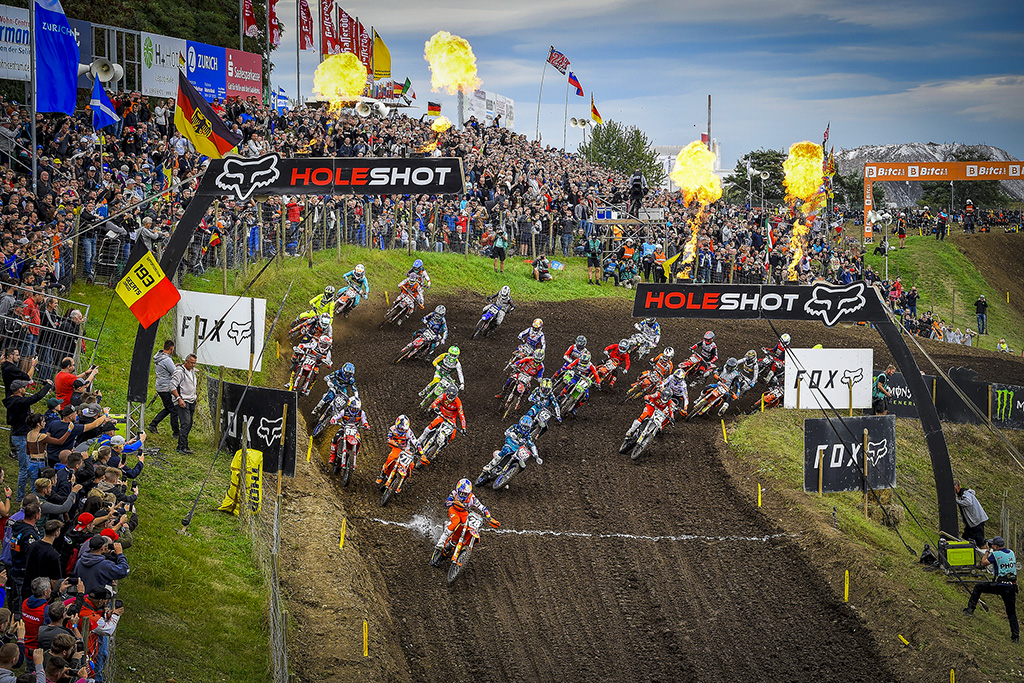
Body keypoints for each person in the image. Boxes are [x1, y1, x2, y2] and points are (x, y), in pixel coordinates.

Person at [3, 378, 52, 499]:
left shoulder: (11, 400)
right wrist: (48, 387)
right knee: (24, 469)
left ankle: (28, 495)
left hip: (19, 435)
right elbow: (35, 398)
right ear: (19, 390)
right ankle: (21, 497)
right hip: (21, 438)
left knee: (26, 468)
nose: (26, 389)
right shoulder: (19, 402)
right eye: (24, 387)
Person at [963, 536, 1018, 641]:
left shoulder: (996, 554)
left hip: (1000, 585)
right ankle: (1015, 637)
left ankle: (970, 610)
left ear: (996, 547)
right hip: (1012, 586)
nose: (992, 546)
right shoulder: (1011, 552)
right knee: (1012, 613)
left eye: (993, 545)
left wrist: (987, 551)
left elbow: (983, 563)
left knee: (978, 587)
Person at [434, 479, 493, 552]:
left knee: (469, 525)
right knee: (456, 522)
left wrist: (489, 516)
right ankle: (441, 542)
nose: (462, 495)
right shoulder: (454, 493)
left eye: (465, 494)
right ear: (457, 490)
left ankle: (459, 542)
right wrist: (453, 503)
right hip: (454, 510)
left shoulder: (472, 498)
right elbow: (446, 503)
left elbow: (482, 507)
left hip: (464, 513)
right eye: (461, 493)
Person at [418, 385, 466, 458]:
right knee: (429, 427)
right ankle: (419, 440)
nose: (450, 397)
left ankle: (439, 449)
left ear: (456, 396)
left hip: (451, 419)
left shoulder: (458, 402)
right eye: (449, 394)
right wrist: (436, 408)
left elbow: (461, 415)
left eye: (452, 396)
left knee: (452, 436)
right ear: (446, 393)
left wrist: (463, 428)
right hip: (441, 415)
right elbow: (434, 403)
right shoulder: (443, 396)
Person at [376, 415, 422, 485]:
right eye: (400, 428)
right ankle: (382, 475)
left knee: (411, 465)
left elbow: (415, 441)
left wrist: (421, 452)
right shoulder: (392, 429)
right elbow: (388, 439)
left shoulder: (409, 432)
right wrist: (394, 443)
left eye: (403, 429)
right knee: (391, 458)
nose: (401, 430)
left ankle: (403, 480)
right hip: (397, 447)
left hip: (406, 450)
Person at [328, 397, 369, 469]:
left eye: (356, 409)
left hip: (354, 430)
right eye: (353, 408)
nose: (355, 410)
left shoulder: (361, 413)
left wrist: (366, 425)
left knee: (359, 441)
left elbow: (364, 420)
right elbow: (336, 416)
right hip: (344, 428)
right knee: (335, 438)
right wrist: (333, 420)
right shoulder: (344, 411)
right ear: (349, 406)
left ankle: (353, 458)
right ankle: (332, 456)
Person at [168, 354, 198, 455]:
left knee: (189, 423)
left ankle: (183, 444)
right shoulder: (179, 372)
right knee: (185, 423)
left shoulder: (192, 370)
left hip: (191, 400)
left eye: (194, 363)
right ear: (186, 361)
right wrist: (178, 399)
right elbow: (172, 386)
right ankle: (182, 446)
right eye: (191, 363)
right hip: (182, 401)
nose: (193, 365)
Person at [148, 339, 178, 435]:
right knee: (173, 409)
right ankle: (176, 432)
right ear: (171, 348)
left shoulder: (159, 357)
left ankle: (153, 424)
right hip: (166, 387)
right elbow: (174, 373)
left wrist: (174, 366)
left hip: (160, 386)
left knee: (168, 408)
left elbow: (168, 368)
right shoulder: (167, 359)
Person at [954, 479, 989, 547]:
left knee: (980, 542)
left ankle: (985, 553)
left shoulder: (965, 493)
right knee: (965, 538)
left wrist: (956, 501)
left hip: (977, 521)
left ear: (956, 485)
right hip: (971, 522)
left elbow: (968, 502)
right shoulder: (961, 495)